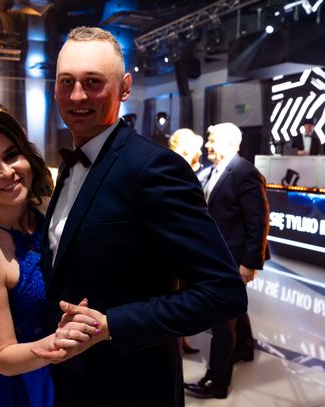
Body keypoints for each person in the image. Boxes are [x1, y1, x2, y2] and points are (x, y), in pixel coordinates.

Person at [31, 26, 248, 407]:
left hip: (133, 384)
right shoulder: (68, 166)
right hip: (70, 379)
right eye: (67, 82)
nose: (77, 95)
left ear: (125, 87)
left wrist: (111, 325)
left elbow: (223, 292)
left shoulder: (154, 168)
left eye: (93, 82)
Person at [0, 110, 100, 407]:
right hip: (25, 385)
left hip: (72, 372)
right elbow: (2, 356)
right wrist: (59, 342)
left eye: (11, 155)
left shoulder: (46, 210)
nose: (7, 171)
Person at [185, 122, 270, 399]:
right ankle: (244, 347)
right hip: (217, 257)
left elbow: (258, 222)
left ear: (231, 143)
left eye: (212, 140)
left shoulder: (245, 173)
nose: (207, 145)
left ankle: (217, 381)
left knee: (221, 318)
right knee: (233, 308)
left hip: (233, 259)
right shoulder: (212, 171)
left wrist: (250, 264)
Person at [168, 128, 205, 355]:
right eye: (196, 149)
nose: (201, 152)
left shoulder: (190, 170)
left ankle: (180, 339)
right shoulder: (172, 170)